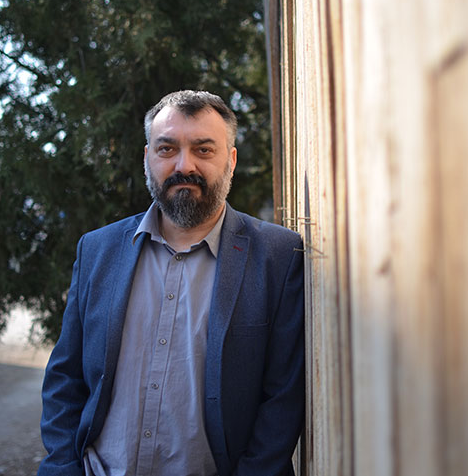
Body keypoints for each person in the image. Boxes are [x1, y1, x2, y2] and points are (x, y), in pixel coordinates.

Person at [37, 90, 305, 476]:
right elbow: (65, 378)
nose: (184, 165)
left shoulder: (277, 257)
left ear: (231, 160)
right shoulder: (97, 250)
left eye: (203, 149)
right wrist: (63, 467)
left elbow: (283, 397)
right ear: (148, 158)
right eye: (167, 149)